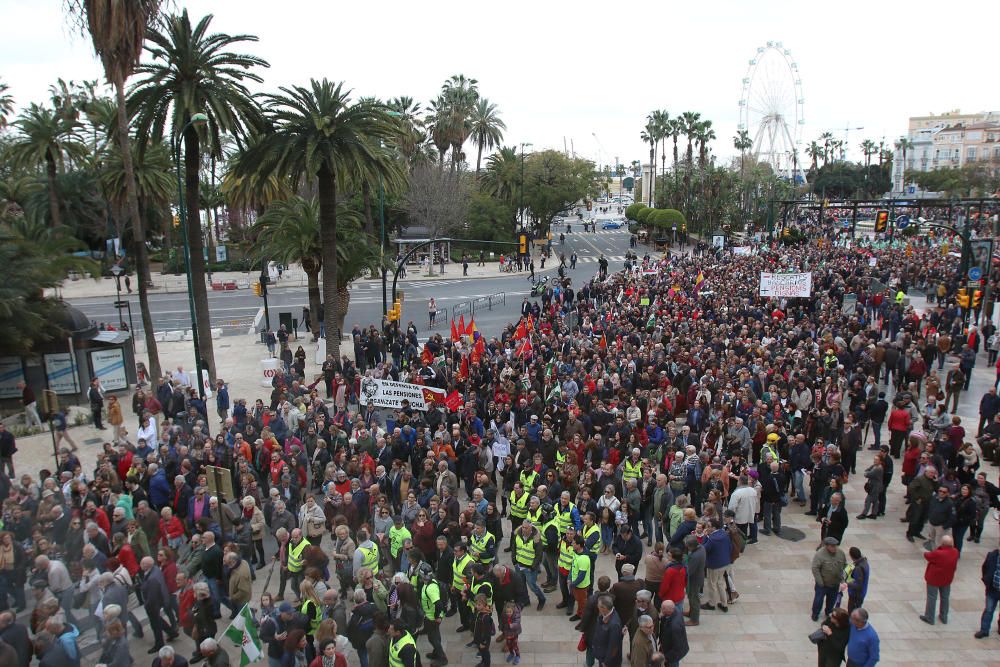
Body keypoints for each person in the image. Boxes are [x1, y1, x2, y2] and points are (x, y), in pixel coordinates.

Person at [921, 535, 959, 625]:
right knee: (945, 598)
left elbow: (927, 555)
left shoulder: (938, 553)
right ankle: (944, 616)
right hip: (947, 579)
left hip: (934, 579)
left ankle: (930, 617)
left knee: (932, 597)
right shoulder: (955, 552)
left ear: (942, 543)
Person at [811, 537, 846, 622]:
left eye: (835, 546)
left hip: (835, 583)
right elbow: (815, 568)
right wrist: (820, 582)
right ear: (827, 546)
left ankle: (829, 612)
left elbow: (844, 566)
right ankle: (815, 613)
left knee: (832, 600)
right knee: (818, 600)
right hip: (823, 584)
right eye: (832, 546)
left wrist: (843, 580)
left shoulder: (841, 553)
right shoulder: (820, 555)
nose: (835, 548)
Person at [590, 594, 623, 667]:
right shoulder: (604, 614)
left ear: (604, 608)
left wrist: (606, 662)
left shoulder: (614, 625)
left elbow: (614, 646)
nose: (597, 606)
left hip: (608, 661)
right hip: (601, 653)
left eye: (598, 605)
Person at [976, 545, 1000, 638]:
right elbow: (985, 567)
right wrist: (986, 579)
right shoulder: (992, 556)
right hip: (992, 589)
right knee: (989, 610)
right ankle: (984, 630)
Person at [657, 599, 689, 667]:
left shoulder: (675, 626)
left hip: (673, 655)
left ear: (669, 610)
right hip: (668, 647)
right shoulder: (674, 610)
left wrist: (666, 658)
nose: (660, 609)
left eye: (663, 608)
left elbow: (677, 647)